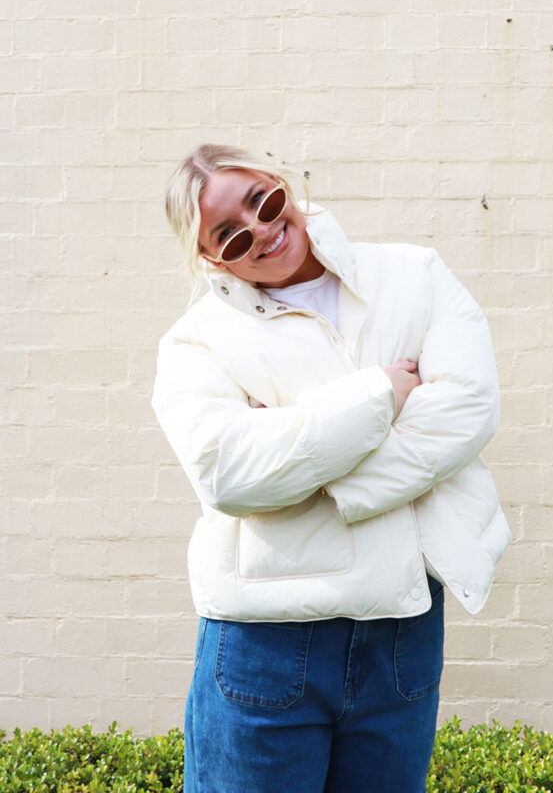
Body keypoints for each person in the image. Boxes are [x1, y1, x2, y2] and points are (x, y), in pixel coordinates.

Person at [152, 144, 511, 793]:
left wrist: (315, 476)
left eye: (262, 201)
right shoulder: (196, 341)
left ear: (282, 184)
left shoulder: (413, 275)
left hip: (401, 624)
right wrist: (379, 397)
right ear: (210, 259)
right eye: (230, 236)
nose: (259, 230)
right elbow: (229, 474)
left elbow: (470, 407)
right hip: (266, 635)